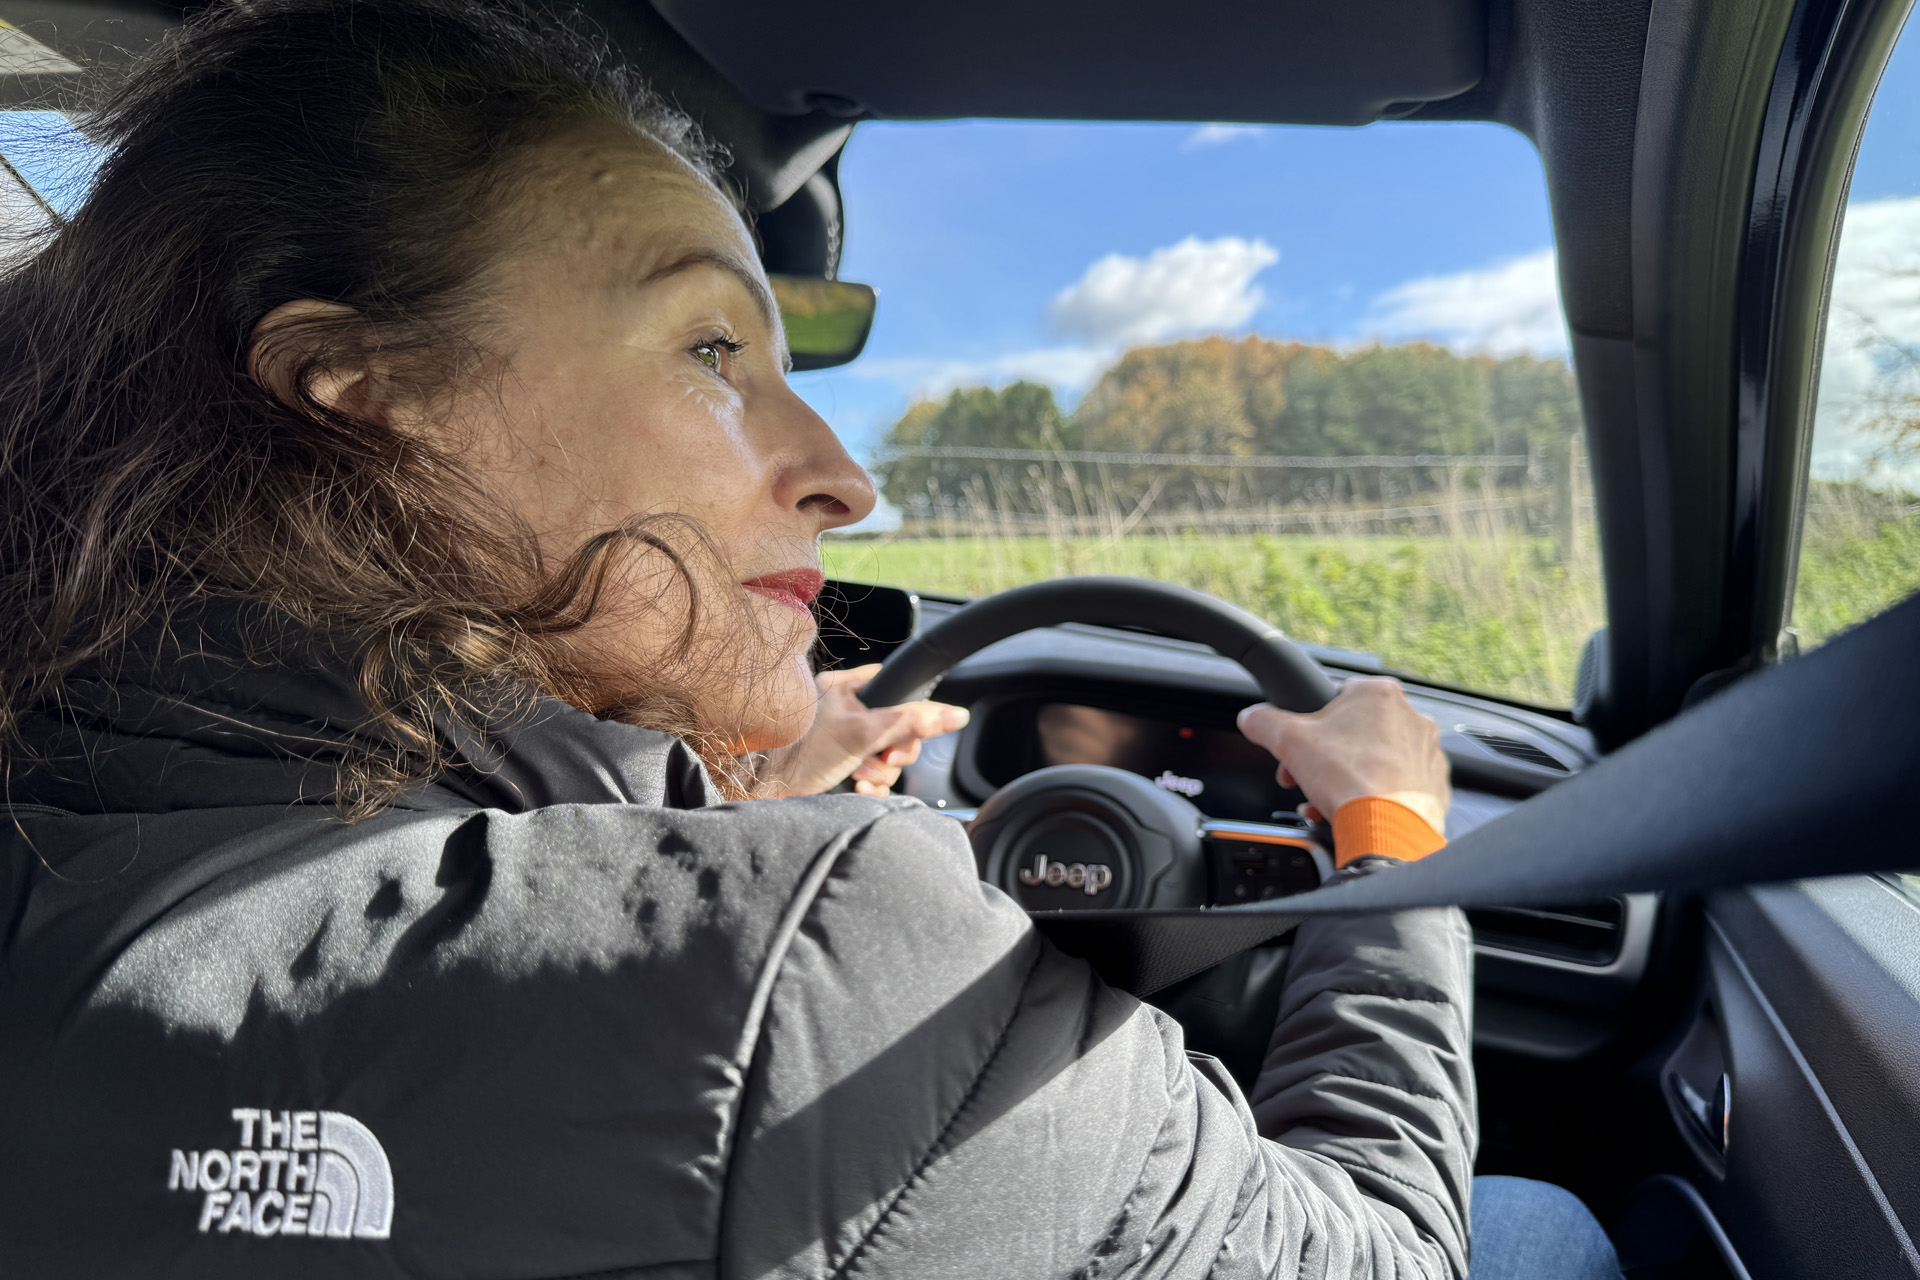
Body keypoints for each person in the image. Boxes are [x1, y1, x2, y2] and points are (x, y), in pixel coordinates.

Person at [0, 3, 1623, 1277]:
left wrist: (708, 817)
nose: (847, 478)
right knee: (1545, 1226)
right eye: (713, 346)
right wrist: (1390, 854)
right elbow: (1385, 1255)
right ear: (359, 391)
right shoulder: (830, 957)